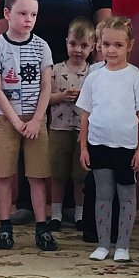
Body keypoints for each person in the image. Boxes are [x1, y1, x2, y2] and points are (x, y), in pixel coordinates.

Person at [1, 0, 112, 224]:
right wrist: (8, 53)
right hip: (31, 55)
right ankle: (26, 201)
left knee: (76, 126)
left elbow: (103, 6)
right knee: (30, 121)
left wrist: (102, 53)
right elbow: (5, 8)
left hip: (79, 55)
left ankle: (74, 206)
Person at [0, 0, 56, 252]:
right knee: (4, 174)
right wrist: (15, 122)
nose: (28, 19)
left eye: (33, 15)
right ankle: (5, 227)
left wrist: (36, 120)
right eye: (23, 13)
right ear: (7, 13)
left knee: (37, 175)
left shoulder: (42, 46)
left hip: (35, 120)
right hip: (7, 120)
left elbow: (46, 87)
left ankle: (41, 228)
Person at [77, 17, 139, 262]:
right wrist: (83, 147)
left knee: (126, 195)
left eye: (118, 45)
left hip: (126, 148)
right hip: (98, 145)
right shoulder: (94, 77)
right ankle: (103, 244)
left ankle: (122, 245)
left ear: (130, 45)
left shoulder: (135, 77)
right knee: (102, 195)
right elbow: (85, 115)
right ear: (99, 45)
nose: (111, 50)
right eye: (106, 44)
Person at [43, 18, 95, 232]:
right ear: (66, 43)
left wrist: (84, 98)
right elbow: (44, 99)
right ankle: (56, 214)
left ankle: (80, 215)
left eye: (84, 45)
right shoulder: (55, 70)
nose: (78, 50)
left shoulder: (94, 73)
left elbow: (99, 102)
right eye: (73, 44)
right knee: (58, 174)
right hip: (58, 129)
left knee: (80, 175)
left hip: (84, 132)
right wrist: (62, 96)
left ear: (93, 47)